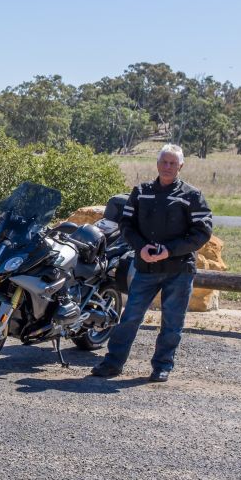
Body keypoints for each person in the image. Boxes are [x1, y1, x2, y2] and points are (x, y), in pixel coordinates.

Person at [92, 144, 213, 382]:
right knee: (130, 317)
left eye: (172, 163)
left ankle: (162, 366)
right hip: (146, 266)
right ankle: (113, 363)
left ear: (181, 166)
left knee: (172, 321)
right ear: (157, 164)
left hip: (179, 270)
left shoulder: (192, 196)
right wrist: (140, 247)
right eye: (164, 162)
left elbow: (202, 233)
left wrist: (169, 250)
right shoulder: (141, 191)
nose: (168, 167)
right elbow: (126, 225)